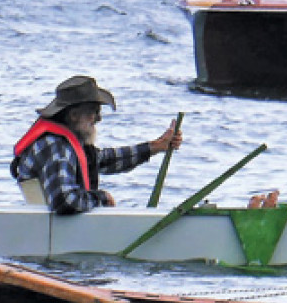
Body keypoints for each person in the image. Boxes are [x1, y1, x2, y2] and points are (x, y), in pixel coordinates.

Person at [10, 75, 182, 214]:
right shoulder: (56, 146)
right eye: (94, 112)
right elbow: (65, 201)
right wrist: (102, 198)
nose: (98, 119)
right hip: (50, 234)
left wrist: (156, 146)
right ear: (74, 115)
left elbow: (103, 160)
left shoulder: (68, 143)